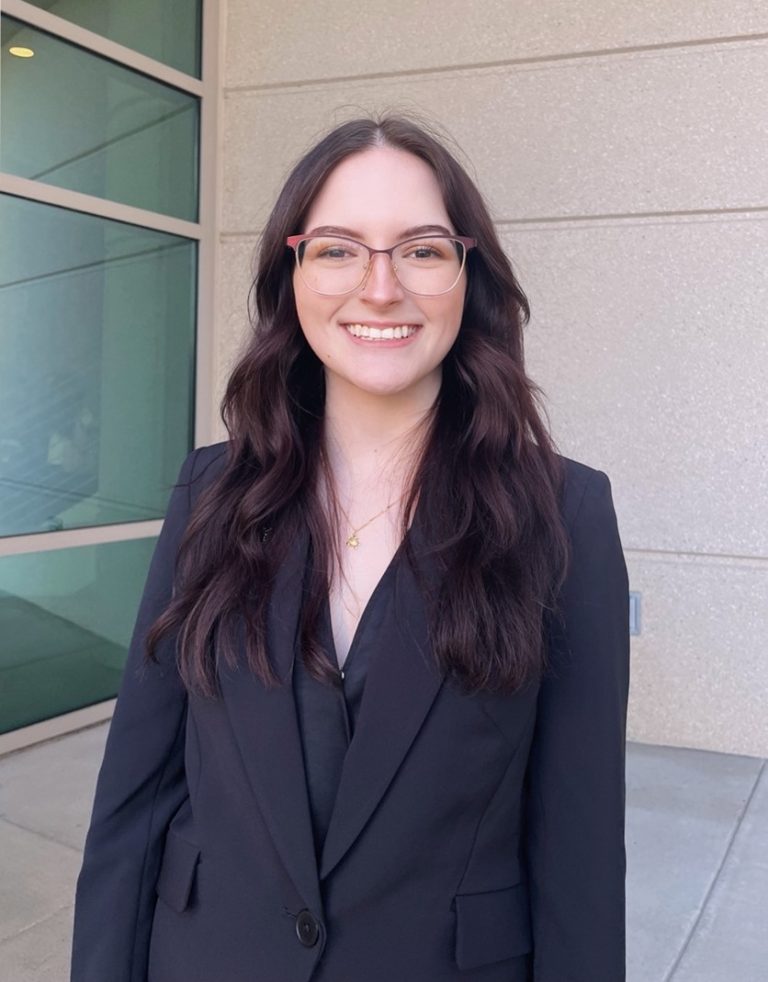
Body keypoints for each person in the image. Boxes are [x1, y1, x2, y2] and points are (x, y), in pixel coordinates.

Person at [71, 115, 630, 982]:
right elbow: (134, 807)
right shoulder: (211, 494)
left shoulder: (565, 514)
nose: (379, 288)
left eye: (421, 249)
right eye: (337, 249)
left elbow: (581, 850)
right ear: (293, 275)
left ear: (466, 273)